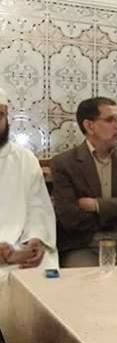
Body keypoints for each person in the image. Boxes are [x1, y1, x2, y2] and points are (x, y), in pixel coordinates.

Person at [51, 97, 117, 267]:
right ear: (89, 126)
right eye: (110, 120)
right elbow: (70, 218)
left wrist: (96, 205)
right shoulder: (64, 163)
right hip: (82, 246)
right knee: (87, 278)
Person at [0, 87, 58, 269]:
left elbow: (37, 207)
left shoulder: (25, 159)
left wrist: (35, 239)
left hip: (18, 248)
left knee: (44, 269)